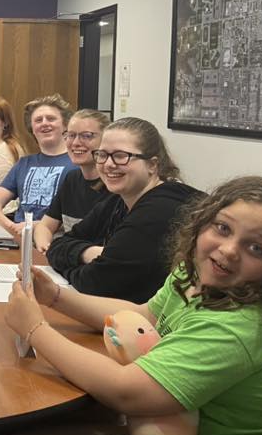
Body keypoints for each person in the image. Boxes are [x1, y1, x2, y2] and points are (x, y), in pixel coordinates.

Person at [5, 175, 262, 435]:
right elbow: (142, 315)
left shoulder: (241, 326)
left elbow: (125, 391)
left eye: (257, 248)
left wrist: (35, 330)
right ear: (203, 221)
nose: (228, 250)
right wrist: (55, 296)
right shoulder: (195, 276)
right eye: (223, 228)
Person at [46, 117, 201, 303]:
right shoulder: (119, 199)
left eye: (120, 156)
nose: (109, 164)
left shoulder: (161, 210)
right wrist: (89, 253)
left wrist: (76, 262)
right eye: (102, 155)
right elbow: (58, 245)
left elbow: (95, 284)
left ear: (152, 165)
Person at [0, 94, 78, 238]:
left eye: (51, 119)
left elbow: (76, 220)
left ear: (65, 125)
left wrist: (36, 227)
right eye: (38, 120)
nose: (44, 123)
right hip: (19, 237)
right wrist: (12, 227)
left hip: (53, 241)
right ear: (32, 128)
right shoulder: (24, 164)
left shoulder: (77, 165)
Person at [34, 109, 113, 252]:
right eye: (71, 135)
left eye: (87, 136)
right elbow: (44, 226)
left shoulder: (114, 186)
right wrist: (45, 248)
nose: (76, 143)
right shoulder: (72, 179)